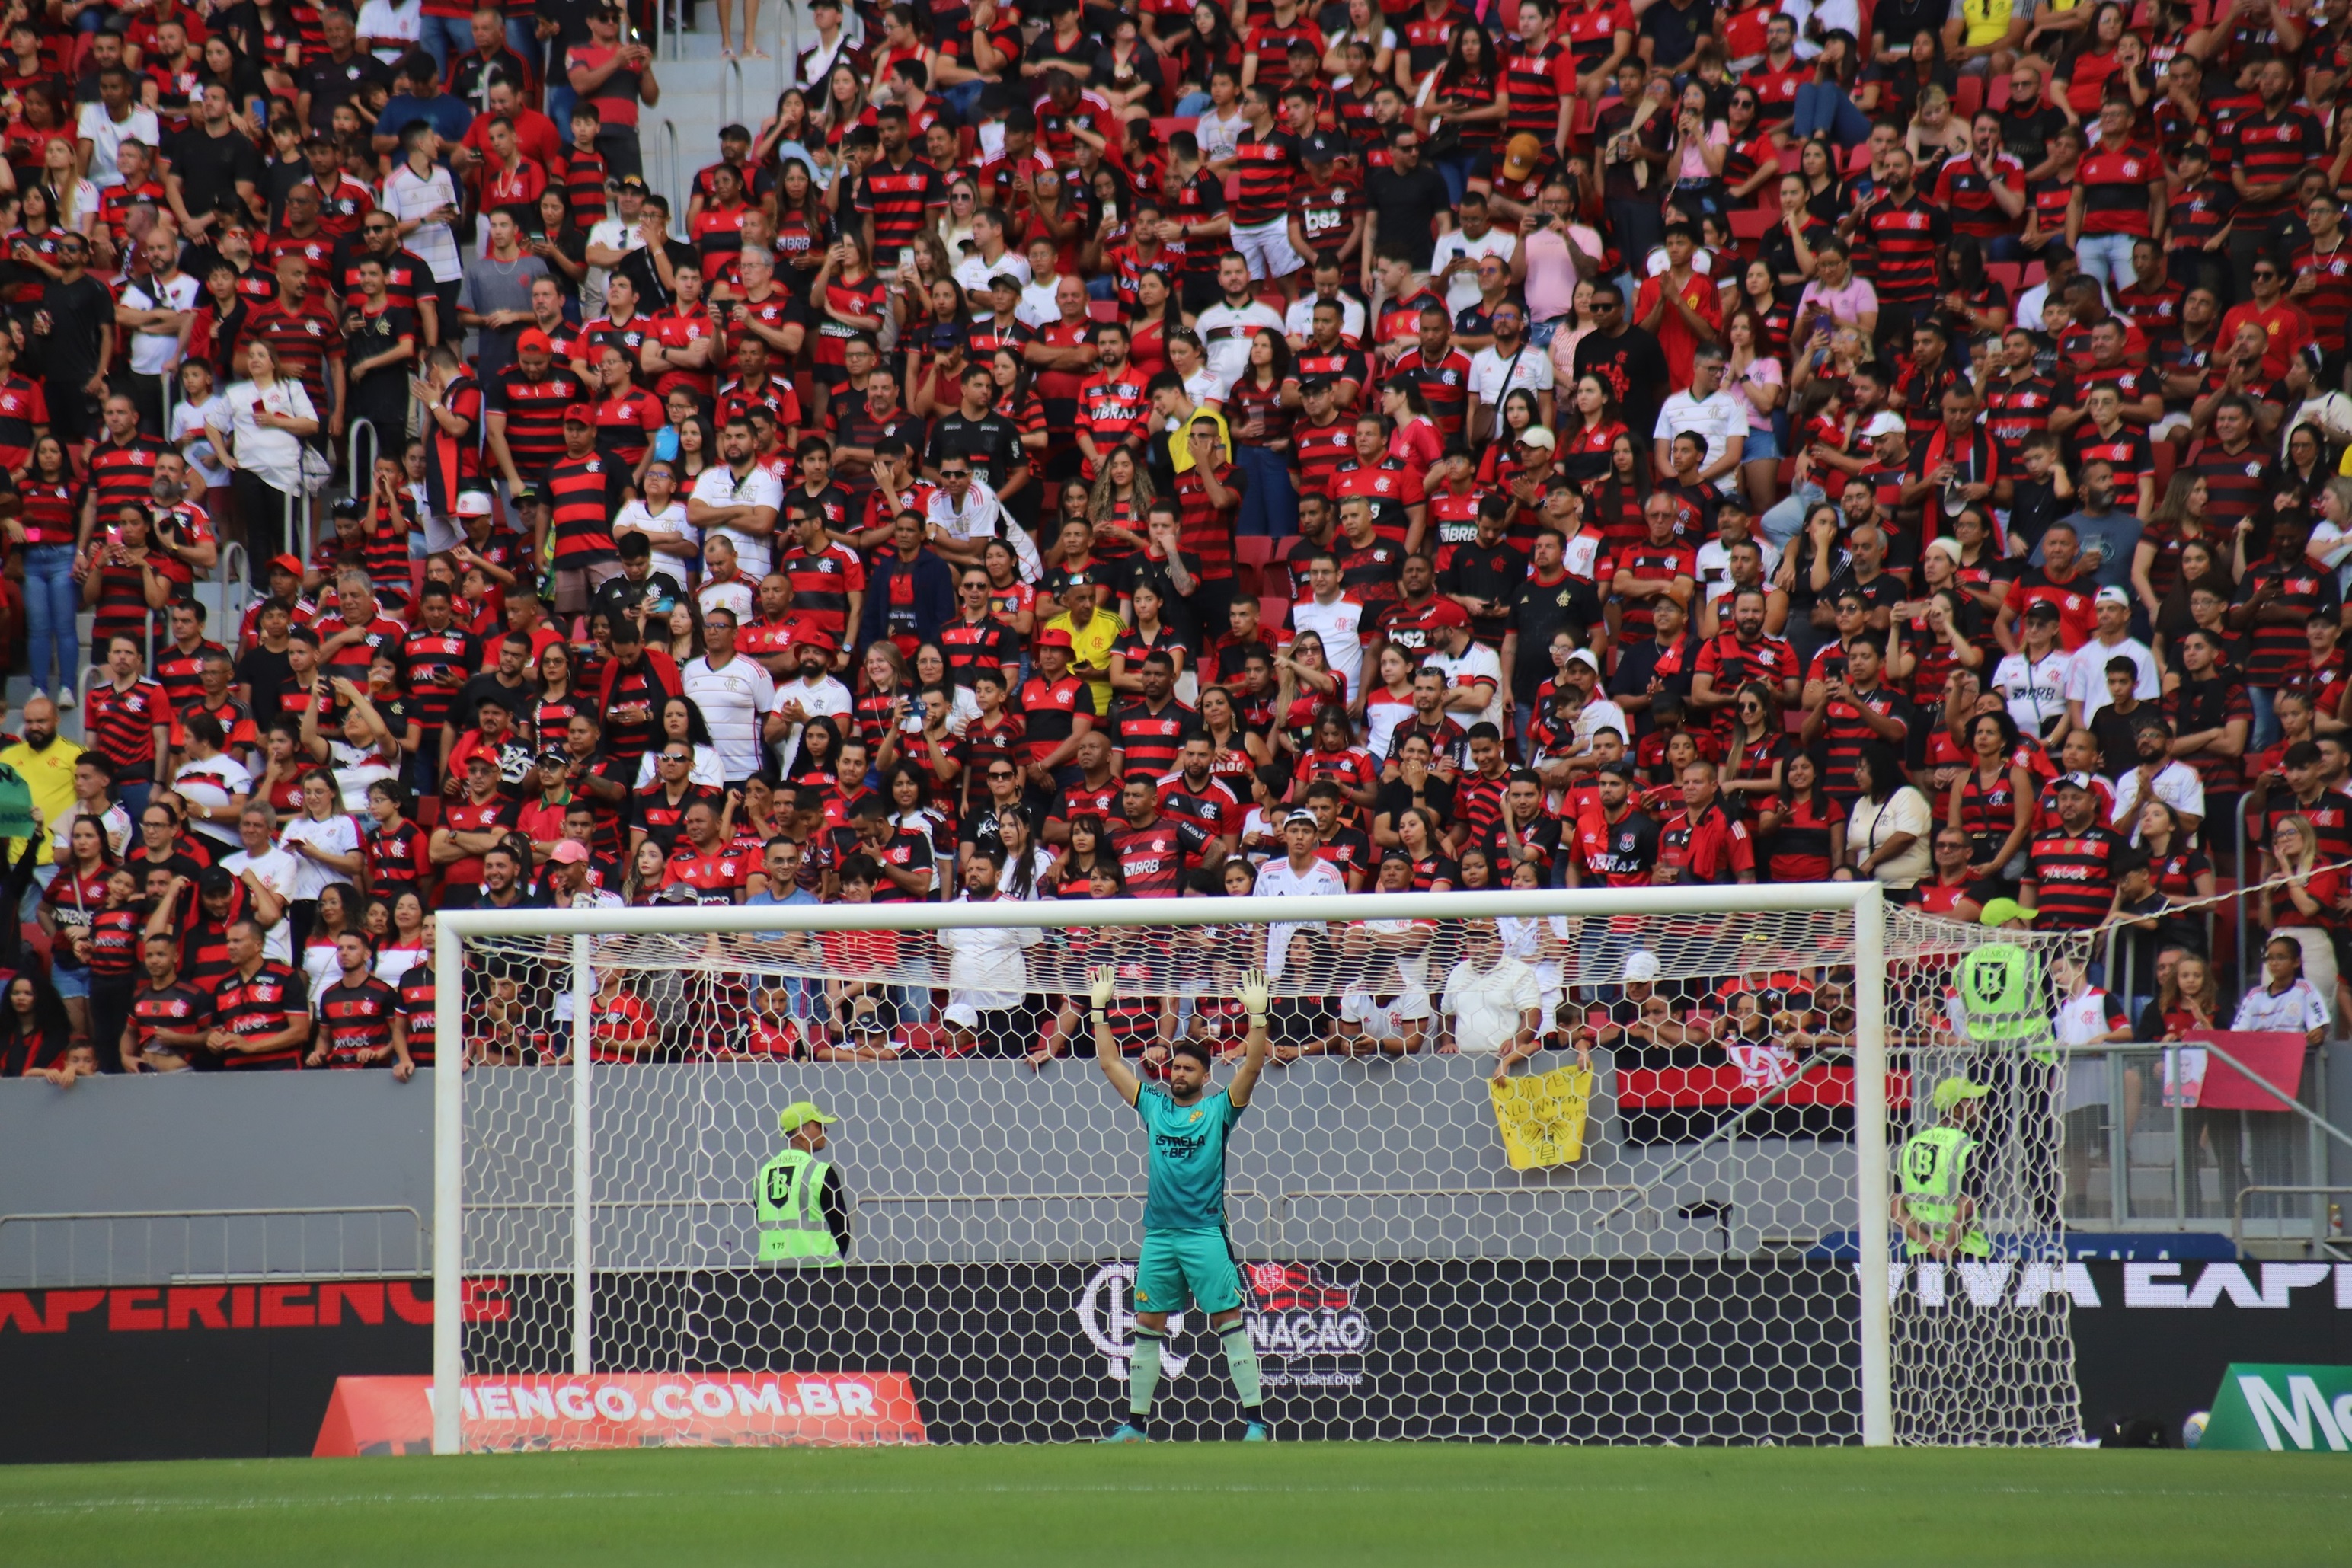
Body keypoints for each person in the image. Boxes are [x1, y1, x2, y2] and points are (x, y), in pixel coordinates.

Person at [1092, 962, 1273, 1444]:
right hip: (1161, 1235)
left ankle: (1255, 1423)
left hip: (1203, 1233)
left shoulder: (1219, 1110)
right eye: (1174, 1067)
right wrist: (1099, 1011)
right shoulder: (1154, 1105)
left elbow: (1253, 1065)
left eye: (1188, 1068)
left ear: (1205, 1076)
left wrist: (1258, 1020)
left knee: (1228, 1322)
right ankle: (1135, 1426)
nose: (1178, 1073)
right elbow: (1110, 1064)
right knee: (1148, 1324)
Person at [1893, 1075, 1990, 1259]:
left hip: (1921, 1253)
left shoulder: (1911, 1145)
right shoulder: (1969, 1148)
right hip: (1964, 1252)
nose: (1981, 1107)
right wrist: (1947, 1247)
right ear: (1955, 1110)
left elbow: (1896, 1210)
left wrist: (1930, 1245)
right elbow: (1967, 1206)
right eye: (1973, 1101)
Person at [754, 1099, 851, 1263]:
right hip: (819, 1272)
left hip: (771, 1271)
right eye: (819, 1125)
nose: (825, 1130)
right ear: (802, 1130)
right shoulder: (819, 1171)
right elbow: (842, 1228)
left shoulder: (762, 1174)